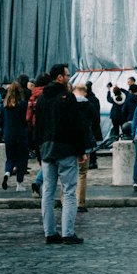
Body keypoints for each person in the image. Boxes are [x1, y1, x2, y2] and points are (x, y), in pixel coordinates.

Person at [33, 63, 88, 244]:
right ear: (59, 78)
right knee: (69, 191)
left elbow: (37, 127)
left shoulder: (41, 99)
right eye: (66, 74)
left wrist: (39, 153)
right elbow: (76, 126)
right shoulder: (67, 97)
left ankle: (49, 233)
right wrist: (81, 150)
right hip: (65, 149)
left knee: (48, 191)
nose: (68, 77)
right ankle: (67, 233)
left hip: (46, 149)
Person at [0, 81, 30, 192]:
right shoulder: (23, 104)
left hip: (8, 135)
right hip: (21, 135)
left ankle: (7, 173)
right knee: (22, 159)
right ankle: (19, 184)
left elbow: (0, 119)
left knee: (10, 158)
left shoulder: (4, 105)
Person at [72, 83, 96, 213]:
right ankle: (80, 202)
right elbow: (95, 121)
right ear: (85, 92)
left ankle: (65, 200)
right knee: (82, 173)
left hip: (70, 143)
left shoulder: (68, 104)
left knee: (67, 174)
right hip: (85, 141)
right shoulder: (89, 105)